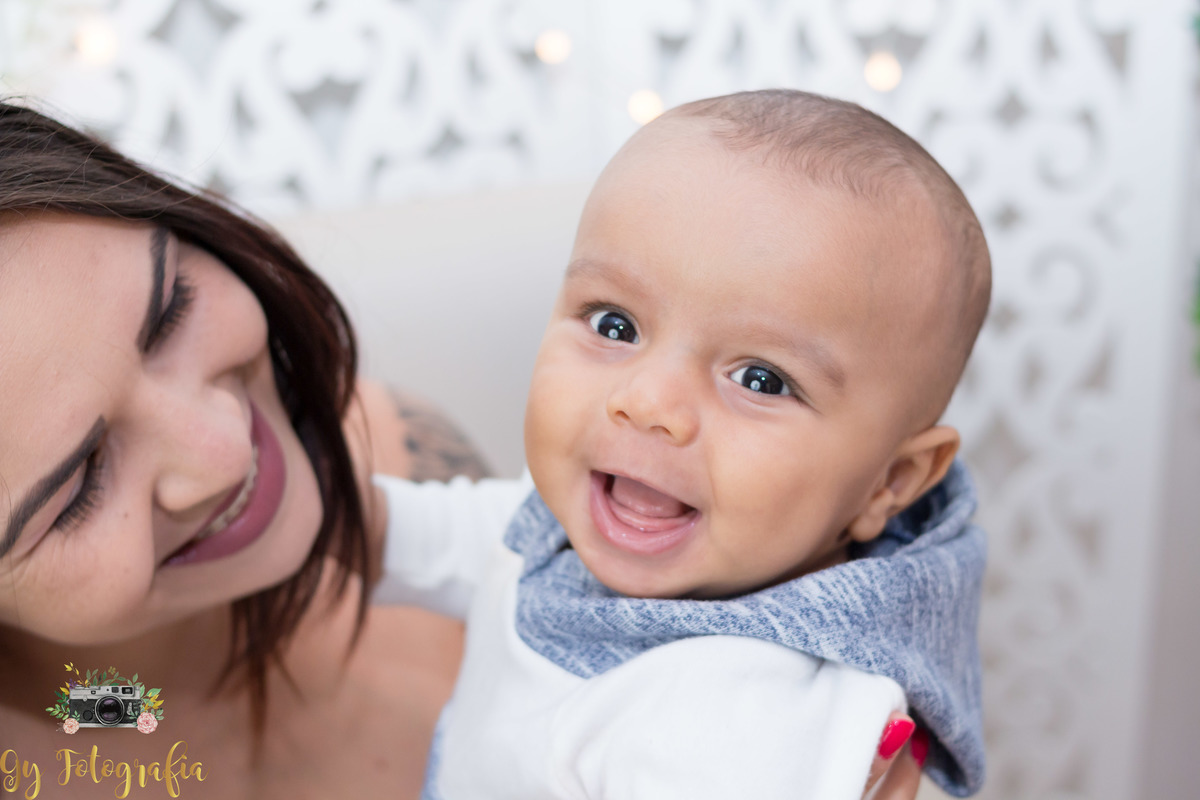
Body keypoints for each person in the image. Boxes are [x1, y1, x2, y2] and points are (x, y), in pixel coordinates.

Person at [0, 99, 922, 799]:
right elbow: (125, 716)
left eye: (172, 310)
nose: (221, 452)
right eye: (79, 487)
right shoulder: (71, 726)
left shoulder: (394, 450)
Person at [375, 89, 989, 799]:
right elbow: (484, 538)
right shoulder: (575, 525)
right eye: (613, 325)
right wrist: (357, 520)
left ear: (889, 482)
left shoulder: (743, 722)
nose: (648, 403)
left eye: (760, 378)